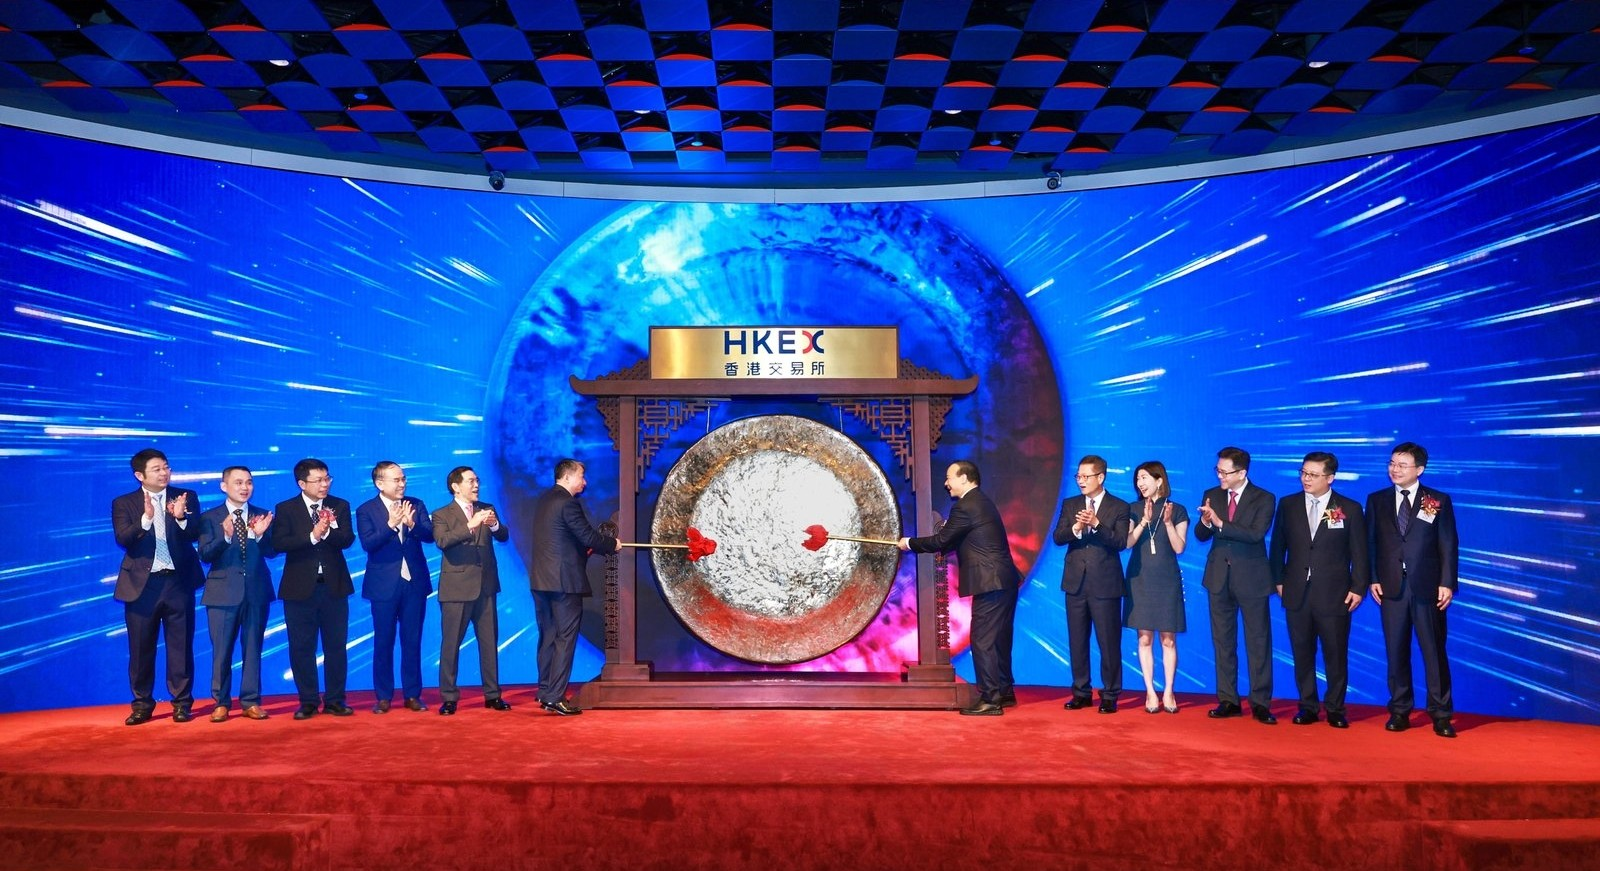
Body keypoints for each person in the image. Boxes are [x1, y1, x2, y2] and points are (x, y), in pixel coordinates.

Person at [899, 461, 1022, 716]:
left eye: (949, 477)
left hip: (991, 581)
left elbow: (941, 541)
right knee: (999, 638)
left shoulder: (966, 506)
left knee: (982, 640)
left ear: (964, 478)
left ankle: (990, 699)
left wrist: (909, 543)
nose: (946, 483)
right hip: (1003, 580)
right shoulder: (980, 502)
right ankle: (1004, 691)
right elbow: (956, 540)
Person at [1367, 442, 1460, 738]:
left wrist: (1447, 582)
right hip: (1391, 587)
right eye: (1392, 463)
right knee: (1396, 651)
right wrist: (1372, 577)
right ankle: (1399, 710)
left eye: (1402, 465)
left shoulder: (1437, 500)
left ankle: (1441, 714)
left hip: (1428, 587)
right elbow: (1370, 544)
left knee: (1433, 651)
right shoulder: (1377, 500)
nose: (1395, 469)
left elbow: (1448, 544)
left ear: (1419, 469)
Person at [1270, 452, 1367, 729]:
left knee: (1335, 653)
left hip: (1335, 593)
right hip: (1296, 591)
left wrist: (1358, 587)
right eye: (1303, 473)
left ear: (1330, 478)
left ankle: (1335, 708)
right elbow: (1277, 548)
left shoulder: (1349, 508)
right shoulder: (1288, 504)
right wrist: (1278, 580)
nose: (1306, 479)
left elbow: (1360, 553)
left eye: (1313, 475)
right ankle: (1308, 706)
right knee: (1302, 653)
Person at [110, 448, 204, 725]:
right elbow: (123, 539)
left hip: (178, 582)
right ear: (140, 475)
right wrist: (146, 519)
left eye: (166, 467)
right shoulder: (123, 503)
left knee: (181, 646)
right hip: (142, 585)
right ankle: (142, 704)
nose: (164, 473)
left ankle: (182, 703)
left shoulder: (185, 496)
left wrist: (181, 517)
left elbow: (195, 533)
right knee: (141, 649)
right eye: (157, 469)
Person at [528, 459, 619, 716]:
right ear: (567, 477)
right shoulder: (568, 502)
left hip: (541, 581)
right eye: (581, 476)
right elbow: (587, 536)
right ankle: (555, 697)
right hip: (564, 582)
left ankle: (545, 691)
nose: (585, 482)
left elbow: (565, 539)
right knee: (565, 638)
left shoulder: (545, 499)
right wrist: (612, 544)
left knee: (548, 636)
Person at [1194, 446, 1277, 724]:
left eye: (1225, 472)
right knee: (1223, 642)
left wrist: (1220, 522)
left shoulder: (1264, 498)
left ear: (1242, 473)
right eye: (1217, 470)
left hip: (1251, 579)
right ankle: (1228, 699)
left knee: (1258, 642)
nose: (1220, 476)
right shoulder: (1212, 494)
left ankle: (1260, 702)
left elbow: (1255, 534)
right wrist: (1206, 522)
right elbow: (1201, 535)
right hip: (1218, 577)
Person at [272, 458, 356, 720]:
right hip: (299, 589)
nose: (324, 484)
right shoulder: (286, 508)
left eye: (327, 478)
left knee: (336, 647)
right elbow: (279, 543)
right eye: (318, 480)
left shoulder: (339, 505)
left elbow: (347, 539)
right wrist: (312, 536)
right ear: (301, 483)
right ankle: (308, 701)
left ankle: (335, 700)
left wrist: (326, 531)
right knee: (301, 647)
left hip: (334, 587)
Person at [196, 466, 276, 723]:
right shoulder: (210, 517)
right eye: (239, 482)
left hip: (256, 592)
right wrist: (226, 537)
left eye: (249, 482)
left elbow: (273, 551)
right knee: (222, 651)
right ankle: (221, 702)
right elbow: (205, 554)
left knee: (253, 648)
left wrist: (260, 536)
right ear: (224, 486)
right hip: (222, 594)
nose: (245, 487)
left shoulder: (263, 515)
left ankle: (250, 701)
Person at [1051, 455, 1130, 713]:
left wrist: (1096, 524)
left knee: (1109, 642)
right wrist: (1076, 527)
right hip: (1075, 583)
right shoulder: (1070, 504)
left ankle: (1110, 694)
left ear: (1101, 477)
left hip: (1105, 584)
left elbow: (1120, 542)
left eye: (1086, 476)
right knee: (1077, 641)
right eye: (1078, 476)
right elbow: (1058, 537)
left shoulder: (1119, 506)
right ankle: (1081, 692)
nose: (1081, 481)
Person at [432, 465, 512, 716]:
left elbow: (503, 536)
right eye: (470, 481)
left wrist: (495, 524)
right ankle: (449, 697)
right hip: (456, 589)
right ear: (455, 487)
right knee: (451, 644)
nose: (476, 485)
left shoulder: (486, 508)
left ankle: (492, 694)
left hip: (486, 587)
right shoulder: (441, 514)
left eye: (477, 480)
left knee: (489, 643)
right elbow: (442, 541)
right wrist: (470, 525)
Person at [356, 461, 434, 714]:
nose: (402, 484)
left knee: (412, 640)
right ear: (380, 483)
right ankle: (383, 696)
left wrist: (412, 524)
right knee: (384, 641)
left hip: (414, 583)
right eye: (396, 480)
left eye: (403, 479)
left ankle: (412, 694)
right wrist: (390, 524)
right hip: (383, 585)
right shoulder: (366, 510)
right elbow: (368, 544)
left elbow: (430, 535)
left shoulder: (416, 504)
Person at [1123, 460, 1188, 715]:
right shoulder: (1132, 509)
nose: (1140, 483)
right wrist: (1143, 521)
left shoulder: (1177, 510)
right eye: (1137, 479)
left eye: (1144, 478)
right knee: (1144, 637)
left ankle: (1169, 691)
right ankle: (1150, 692)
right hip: (1140, 579)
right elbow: (1127, 543)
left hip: (1166, 580)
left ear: (1159, 480)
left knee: (1168, 640)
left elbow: (1179, 547)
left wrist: (1168, 523)